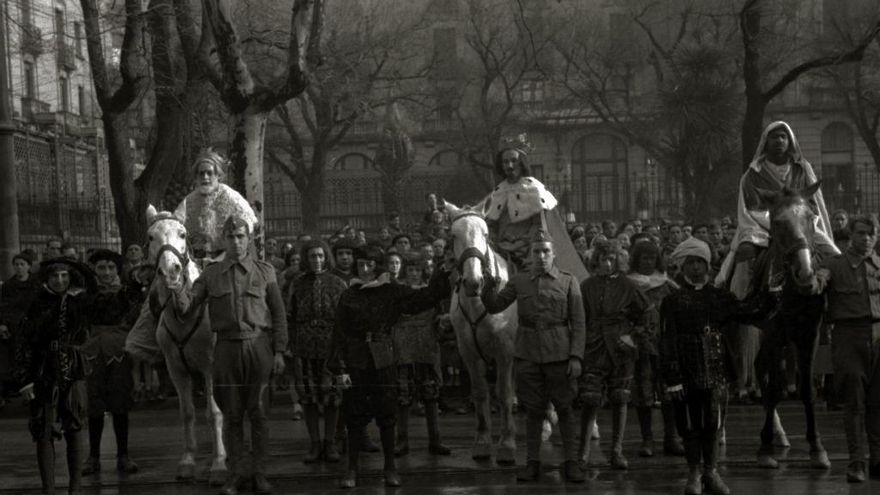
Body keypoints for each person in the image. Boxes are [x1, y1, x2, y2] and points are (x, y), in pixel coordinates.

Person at [169, 216, 287, 495]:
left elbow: (280, 314)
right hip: (225, 350)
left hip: (258, 347)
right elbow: (187, 307)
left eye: (241, 236)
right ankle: (234, 475)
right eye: (231, 237)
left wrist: (280, 351)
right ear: (224, 240)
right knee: (232, 415)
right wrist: (176, 286)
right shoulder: (210, 274)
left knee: (258, 415)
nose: (236, 242)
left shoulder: (265, 272)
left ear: (248, 239)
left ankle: (260, 474)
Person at [330, 244, 453, 488]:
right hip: (355, 360)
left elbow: (424, 298)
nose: (364, 269)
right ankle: (352, 469)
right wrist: (339, 369)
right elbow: (339, 333)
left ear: (379, 267)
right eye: (361, 264)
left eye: (370, 265)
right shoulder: (349, 294)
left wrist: (443, 272)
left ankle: (390, 468)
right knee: (353, 417)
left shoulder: (391, 291)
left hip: (384, 359)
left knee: (387, 415)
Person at [660, 237, 775, 495]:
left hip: (715, 369)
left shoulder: (719, 297)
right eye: (690, 263)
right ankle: (693, 473)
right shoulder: (673, 300)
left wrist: (769, 294)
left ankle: (711, 471)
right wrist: (673, 377)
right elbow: (666, 340)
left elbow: (748, 311)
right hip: (685, 370)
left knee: (713, 422)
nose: (695, 268)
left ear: (708, 265)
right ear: (682, 265)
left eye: (700, 262)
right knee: (688, 424)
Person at [481, 230, 586, 483]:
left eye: (545, 251)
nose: (541, 256)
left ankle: (571, 463)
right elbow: (495, 306)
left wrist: (576, 357)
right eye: (536, 251)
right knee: (533, 412)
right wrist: (487, 288)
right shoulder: (519, 282)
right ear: (529, 255)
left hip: (560, 355)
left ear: (554, 254)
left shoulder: (568, 282)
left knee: (565, 410)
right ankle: (532, 463)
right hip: (528, 355)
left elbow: (579, 323)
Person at [716, 121, 838, 292]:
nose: (779, 141)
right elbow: (751, 209)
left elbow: (813, 203)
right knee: (745, 251)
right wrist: (781, 224)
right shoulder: (753, 174)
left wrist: (799, 222)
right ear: (766, 141)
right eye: (774, 137)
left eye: (783, 137)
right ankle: (740, 297)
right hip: (760, 228)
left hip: (800, 225)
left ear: (790, 141)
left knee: (833, 253)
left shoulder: (802, 169)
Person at [804, 216, 880, 482]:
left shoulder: (879, 265)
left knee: (877, 403)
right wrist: (809, 279)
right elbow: (818, 283)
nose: (867, 239)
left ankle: (877, 461)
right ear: (851, 235)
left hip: (878, 336)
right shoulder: (834, 265)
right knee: (855, 403)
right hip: (849, 337)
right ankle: (857, 462)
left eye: (872, 234)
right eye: (861, 233)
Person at [15, 258, 96, 495]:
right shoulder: (36, 303)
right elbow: (24, 341)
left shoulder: (80, 301)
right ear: (46, 279)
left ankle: (76, 488)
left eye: (64, 276)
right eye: (54, 276)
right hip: (43, 369)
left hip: (73, 367)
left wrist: (71, 262)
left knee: (75, 425)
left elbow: (93, 286)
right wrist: (25, 379)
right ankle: (48, 489)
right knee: (43, 428)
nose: (60, 281)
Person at [474, 134, 587, 280]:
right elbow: (491, 224)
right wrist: (495, 241)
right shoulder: (498, 192)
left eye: (514, 161)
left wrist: (519, 245)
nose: (509, 166)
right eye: (505, 162)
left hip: (529, 251)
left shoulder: (534, 189)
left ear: (521, 163)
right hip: (501, 250)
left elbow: (540, 226)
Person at [577, 240, 647, 471]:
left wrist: (633, 338)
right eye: (603, 259)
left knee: (620, 399)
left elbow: (647, 316)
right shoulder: (586, 286)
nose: (607, 264)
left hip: (620, 349)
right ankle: (583, 454)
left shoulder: (628, 285)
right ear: (596, 260)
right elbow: (578, 320)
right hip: (594, 348)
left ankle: (617, 451)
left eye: (612, 259)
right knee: (589, 401)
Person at [288, 240, 348, 464]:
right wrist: (290, 346)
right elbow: (290, 316)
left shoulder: (338, 284)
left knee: (333, 398)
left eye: (321, 256)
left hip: (331, 349)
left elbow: (345, 319)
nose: (317, 260)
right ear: (306, 258)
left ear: (327, 257)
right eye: (313, 256)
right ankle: (314, 443)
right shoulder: (297, 283)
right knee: (309, 398)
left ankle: (330, 443)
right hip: (304, 347)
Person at [80, 249, 139, 476]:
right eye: (101, 268)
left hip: (119, 351)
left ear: (117, 270)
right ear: (94, 270)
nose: (106, 272)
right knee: (94, 404)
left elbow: (139, 317)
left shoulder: (127, 293)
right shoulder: (85, 295)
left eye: (111, 268)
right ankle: (93, 457)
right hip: (93, 352)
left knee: (120, 402)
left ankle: (123, 455)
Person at [626, 241, 684, 458]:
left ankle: (671, 437)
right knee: (644, 392)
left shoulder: (667, 284)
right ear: (636, 260)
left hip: (666, 344)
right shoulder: (628, 284)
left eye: (652, 258)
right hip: (642, 346)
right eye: (644, 258)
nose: (648, 262)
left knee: (670, 392)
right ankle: (647, 439)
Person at [391, 253, 451, 458]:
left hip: (427, 346)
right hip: (403, 346)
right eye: (410, 271)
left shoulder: (431, 293)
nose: (414, 274)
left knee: (431, 395)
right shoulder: (397, 291)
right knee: (403, 396)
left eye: (418, 270)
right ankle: (402, 441)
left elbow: (441, 318)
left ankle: (436, 440)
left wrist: (441, 323)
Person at [173, 148, 258, 260]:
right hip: (196, 261)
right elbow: (175, 228)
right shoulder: (189, 200)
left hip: (228, 259)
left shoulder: (231, 197)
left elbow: (249, 228)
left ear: (218, 175)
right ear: (196, 176)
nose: (205, 177)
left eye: (209, 173)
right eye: (201, 173)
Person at [0, 253, 39, 407]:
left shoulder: (36, 283)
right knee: (19, 360)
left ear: (29, 266)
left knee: (34, 359)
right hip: (15, 327)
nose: (19, 267)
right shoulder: (8, 286)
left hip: (33, 326)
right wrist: (2, 324)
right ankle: (25, 393)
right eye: (16, 264)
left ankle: (36, 394)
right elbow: (3, 307)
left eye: (22, 264)